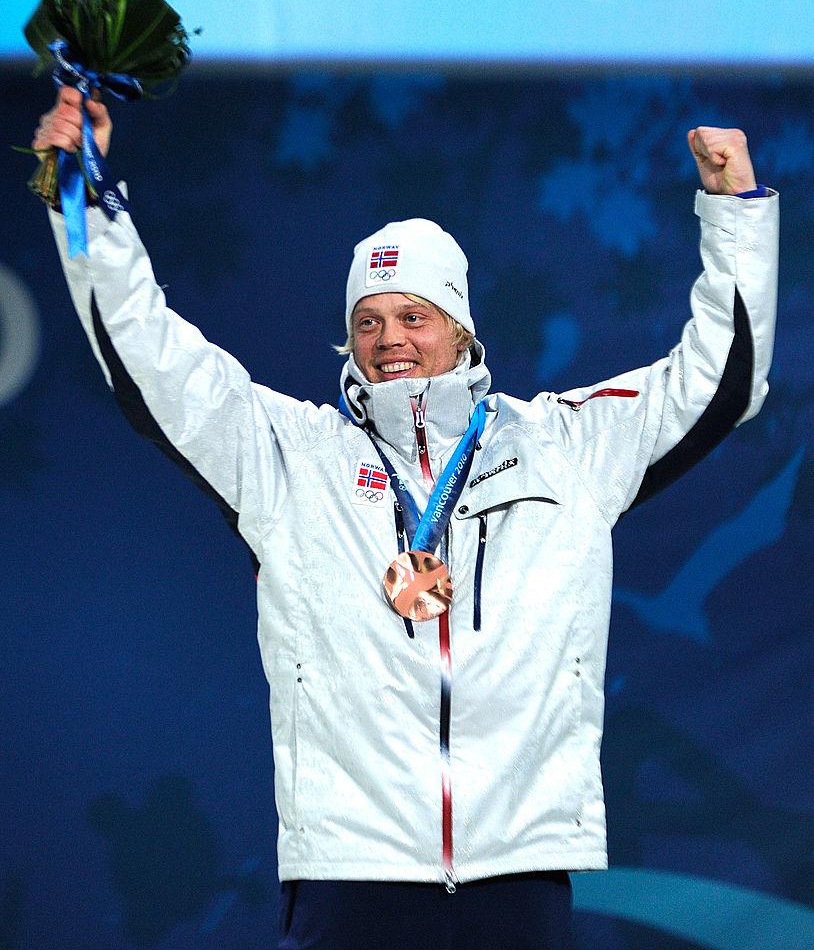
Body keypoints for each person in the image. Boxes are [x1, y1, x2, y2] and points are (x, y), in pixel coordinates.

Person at [34, 87, 779, 950]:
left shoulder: (566, 445)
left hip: (521, 869)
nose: (390, 338)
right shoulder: (289, 457)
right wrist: (84, 195)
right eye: (368, 321)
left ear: (461, 331)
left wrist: (735, 212)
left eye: (414, 316)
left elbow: (723, 378)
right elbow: (148, 355)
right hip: (351, 870)